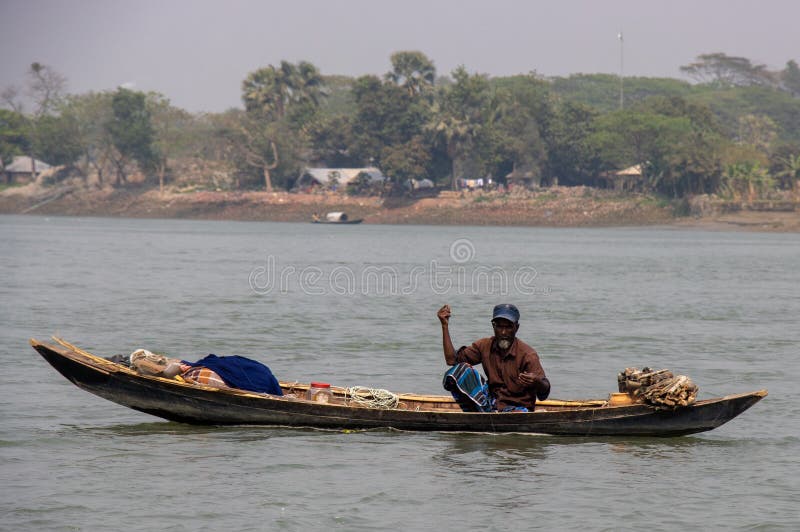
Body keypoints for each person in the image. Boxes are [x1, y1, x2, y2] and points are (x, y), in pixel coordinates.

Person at [437, 303, 550, 412]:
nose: (503, 332)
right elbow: (452, 360)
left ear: (516, 328)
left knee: (520, 413)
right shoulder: (484, 345)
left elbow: (544, 393)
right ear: (493, 326)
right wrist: (444, 326)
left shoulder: (528, 355)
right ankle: (480, 412)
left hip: (517, 408)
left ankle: (488, 414)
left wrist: (537, 381)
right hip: (491, 403)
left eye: (508, 327)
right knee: (460, 370)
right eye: (499, 327)